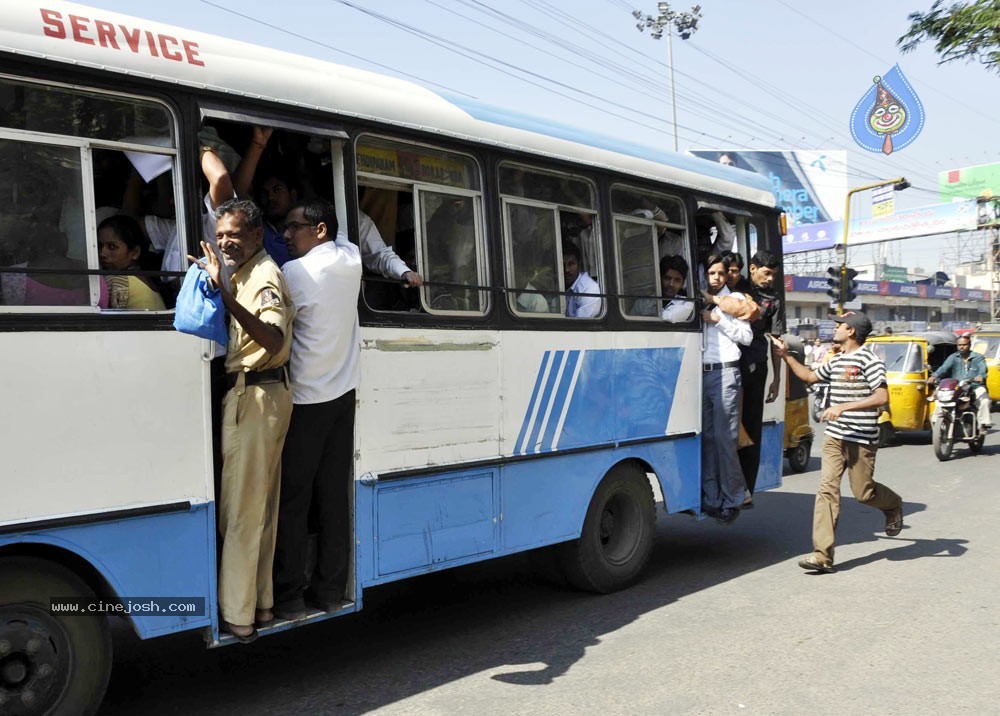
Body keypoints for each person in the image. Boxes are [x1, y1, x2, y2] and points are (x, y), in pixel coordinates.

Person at [189, 198, 293, 641]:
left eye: (234, 234)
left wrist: (225, 294)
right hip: (261, 395)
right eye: (221, 234)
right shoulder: (248, 269)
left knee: (242, 510)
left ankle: (238, 615)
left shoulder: (265, 274)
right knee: (260, 508)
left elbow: (271, 338)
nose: (225, 241)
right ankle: (261, 605)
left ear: (255, 235)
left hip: (256, 395)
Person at [272, 198, 361, 619]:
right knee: (331, 499)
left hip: (306, 401)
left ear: (320, 230)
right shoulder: (352, 259)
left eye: (294, 228)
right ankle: (327, 591)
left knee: (292, 500)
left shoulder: (294, 272)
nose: (286, 236)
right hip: (344, 398)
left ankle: (288, 595)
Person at [772, 311, 904, 574]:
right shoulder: (836, 360)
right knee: (826, 491)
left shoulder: (870, 361)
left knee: (863, 493)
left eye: (839, 325)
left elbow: (881, 397)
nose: (835, 329)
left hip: (861, 439)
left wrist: (844, 406)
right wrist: (786, 355)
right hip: (835, 437)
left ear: (852, 331)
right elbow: (810, 377)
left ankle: (892, 505)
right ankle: (822, 555)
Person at [235, 127, 422, 286]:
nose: (270, 198)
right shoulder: (261, 229)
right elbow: (237, 194)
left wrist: (404, 272)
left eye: (277, 190)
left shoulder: (340, 221)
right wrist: (258, 145)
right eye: (265, 193)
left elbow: (379, 253)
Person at [700, 253, 752, 524]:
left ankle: (733, 498)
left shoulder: (736, 301)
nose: (717, 278)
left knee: (725, 440)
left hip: (726, 373)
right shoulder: (699, 298)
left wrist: (719, 319)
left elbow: (746, 337)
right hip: (702, 375)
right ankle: (711, 498)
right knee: (707, 439)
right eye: (712, 273)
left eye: (721, 273)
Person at [736, 250, 784, 506]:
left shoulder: (774, 300)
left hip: (756, 367)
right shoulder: (736, 285)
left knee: (751, 430)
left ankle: (746, 491)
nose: (770, 279)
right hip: (728, 364)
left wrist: (776, 380)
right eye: (767, 273)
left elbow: (776, 340)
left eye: (774, 275)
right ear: (752, 268)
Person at [98, 214, 166, 310]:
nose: (102, 253)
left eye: (112, 247)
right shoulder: (145, 280)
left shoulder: (118, 281)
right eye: (100, 246)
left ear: (135, 253)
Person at [927, 335, 991, 435]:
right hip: (957, 387)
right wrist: (934, 376)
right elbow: (943, 368)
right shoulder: (953, 357)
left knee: (984, 400)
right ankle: (938, 422)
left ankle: (983, 424)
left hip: (974, 386)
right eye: (959, 345)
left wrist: (980, 376)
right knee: (941, 399)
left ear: (969, 345)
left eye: (964, 345)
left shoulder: (978, 357)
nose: (962, 347)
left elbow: (983, 370)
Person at [563, 240, 601, 318]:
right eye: (562, 265)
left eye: (571, 264)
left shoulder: (588, 289)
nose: (566, 270)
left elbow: (580, 327)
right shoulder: (560, 284)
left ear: (579, 265)